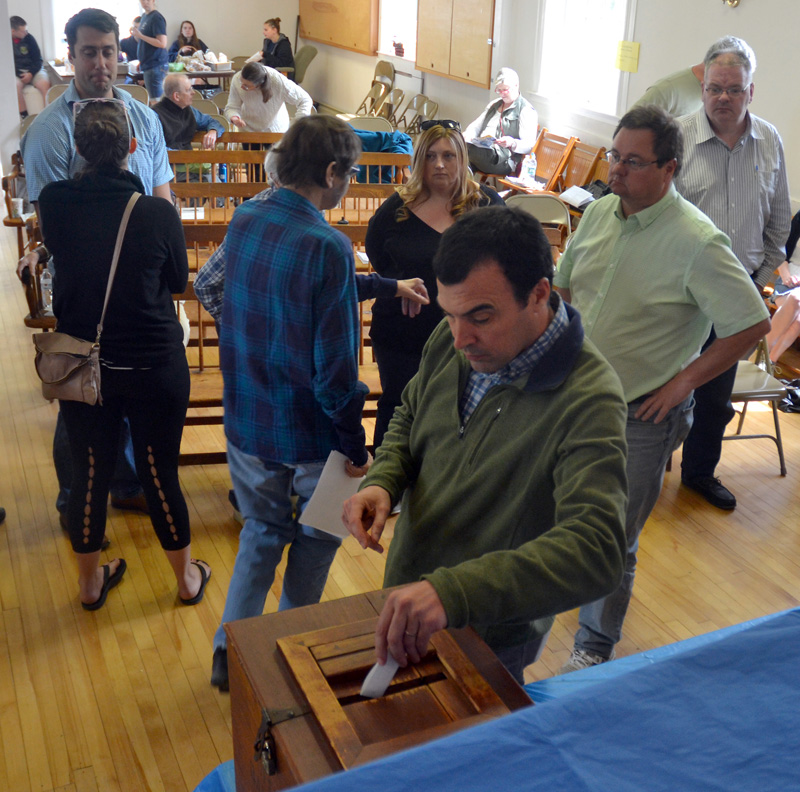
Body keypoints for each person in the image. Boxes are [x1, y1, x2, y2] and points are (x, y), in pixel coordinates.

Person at [342, 205, 628, 684]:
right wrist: (384, 481)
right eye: (450, 314)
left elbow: (596, 550)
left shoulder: (589, 398)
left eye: (480, 316)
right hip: (412, 596)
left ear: (539, 294)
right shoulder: (455, 335)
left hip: (493, 635)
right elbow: (411, 414)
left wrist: (452, 594)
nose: (459, 339)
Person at [553, 104, 770, 673]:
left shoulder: (698, 242)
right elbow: (567, 286)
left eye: (632, 161)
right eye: (614, 155)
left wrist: (682, 384)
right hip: (571, 398)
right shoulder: (600, 213)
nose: (616, 170)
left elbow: (750, 324)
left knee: (612, 538)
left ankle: (591, 649)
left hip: (639, 415)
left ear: (670, 168)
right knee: (551, 512)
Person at [210, 116, 371, 692]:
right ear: (332, 172)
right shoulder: (329, 245)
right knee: (320, 537)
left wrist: (385, 284)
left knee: (260, 533)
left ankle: (231, 652)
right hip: (310, 436)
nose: (347, 184)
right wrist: (355, 447)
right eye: (349, 174)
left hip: (248, 420)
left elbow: (229, 289)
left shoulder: (248, 215)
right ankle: (286, 654)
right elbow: (334, 374)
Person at [37, 99, 210, 610]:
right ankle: (185, 581)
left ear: (78, 150)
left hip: (85, 363)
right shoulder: (155, 212)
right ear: (133, 148)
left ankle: (90, 587)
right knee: (160, 471)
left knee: (90, 472)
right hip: (154, 362)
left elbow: (65, 255)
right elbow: (177, 281)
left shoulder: (53, 200)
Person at [19, 7, 174, 537]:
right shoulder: (50, 130)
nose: (102, 63)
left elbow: (161, 195)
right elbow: (51, 225)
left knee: (130, 386)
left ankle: (126, 481)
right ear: (72, 55)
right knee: (81, 390)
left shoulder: (145, 118)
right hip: (86, 288)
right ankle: (74, 501)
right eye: (90, 52)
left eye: (109, 51)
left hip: (140, 290)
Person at [675, 36, 791, 511]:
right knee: (655, 382)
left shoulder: (770, 142)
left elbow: (780, 220)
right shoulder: (676, 138)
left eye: (735, 90)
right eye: (716, 88)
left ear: (751, 92)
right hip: (676, 292)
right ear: (703, 88)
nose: (724, 97)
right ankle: (633, 464)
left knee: (715, 398)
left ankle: (698, 473)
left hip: (736, 293)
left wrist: (755, 279)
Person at [365, 120, 503, 449]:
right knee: (399, 409)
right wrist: (399, 284)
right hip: (402, 332)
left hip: (467, 335)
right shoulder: (397, 207)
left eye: (448, 156)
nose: (439, 164)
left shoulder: (485, 205)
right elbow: (375, 251)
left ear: (462, 159)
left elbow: (505, 261)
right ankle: (386, 489)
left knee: (456, 414)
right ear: (418, 162)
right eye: (430, 156)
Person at [463, 67, 538, 176]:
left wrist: (512, 142)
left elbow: (529, 145)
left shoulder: (526, 110)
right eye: (499, 90)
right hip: (480, 151)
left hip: (502, 159)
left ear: (516, 85)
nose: (502, 94)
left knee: (463, 152)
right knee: (457, 151)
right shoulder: (494, 105)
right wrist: (468, 135)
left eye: (505, 89)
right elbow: (476, 126)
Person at [224, 61, 312, 132]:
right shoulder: (236, 79)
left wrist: (296, 124)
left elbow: (305, 100)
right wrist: (234, 117)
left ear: (259, 84)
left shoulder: (277, 81)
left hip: (275, 131)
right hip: (248, 131)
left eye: (247, 86)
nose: (242, 87)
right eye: (241, 81)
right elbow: (232, 107)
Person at [153, 72, 224, 150]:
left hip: (188, 159)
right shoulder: (154, 115)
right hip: (167, 160)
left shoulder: (189, 110)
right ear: (177, 96)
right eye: (188, 90)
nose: (193, 92)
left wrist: (213, 131)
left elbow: (213, 122)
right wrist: (183, 156)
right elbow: (156, 148)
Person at [766, 212, 800, 363]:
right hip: (790, 276)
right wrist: (786, 277)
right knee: (796, 312)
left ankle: (763, 358)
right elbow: (781, 252)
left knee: (796, 303)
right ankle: (767, 362)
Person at [11, 16, 50, 118]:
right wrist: (20, 75)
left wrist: (30, 73)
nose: (26, 33)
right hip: (16, 73)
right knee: (16, 86)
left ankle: (47, 115)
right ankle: (25, 116)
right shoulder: (5, 42)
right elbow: (6, 65)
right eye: (23, 31)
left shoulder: (29, 38)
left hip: (33, 70)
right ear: (13, 31)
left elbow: (38, 60)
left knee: (44, 84)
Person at [131, 0, 168, 99]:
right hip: (148, 64)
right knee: (153, 99)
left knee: (156, 101)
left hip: (156, 65)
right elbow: (145, 42)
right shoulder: (144, 17)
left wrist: (140, 35)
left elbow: (162, 43)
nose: (145, 2)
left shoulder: (156, 18)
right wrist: (142, 61)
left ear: (153, 1)